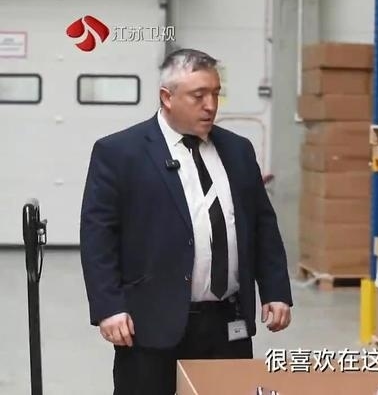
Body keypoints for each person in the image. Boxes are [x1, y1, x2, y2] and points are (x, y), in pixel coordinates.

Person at [79, 48, 293, 394]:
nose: (211, 105)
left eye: (215, 93)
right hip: (150, 323)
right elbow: (97, 237)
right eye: (199, 95)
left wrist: (276, 291)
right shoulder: (120, 153)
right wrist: (108, 308)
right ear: (167, 97)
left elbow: (262, 225)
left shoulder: (238, 150)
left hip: (227, 322)